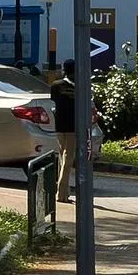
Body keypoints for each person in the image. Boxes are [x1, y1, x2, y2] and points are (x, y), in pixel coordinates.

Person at [50, 58, 77, 202]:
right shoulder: (79, 86)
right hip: (73, 126)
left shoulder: (55, 85)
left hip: (59, 126)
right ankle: (61, 193)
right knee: (68, 158)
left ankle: (65, 191)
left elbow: (54, 101)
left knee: (62, 156)